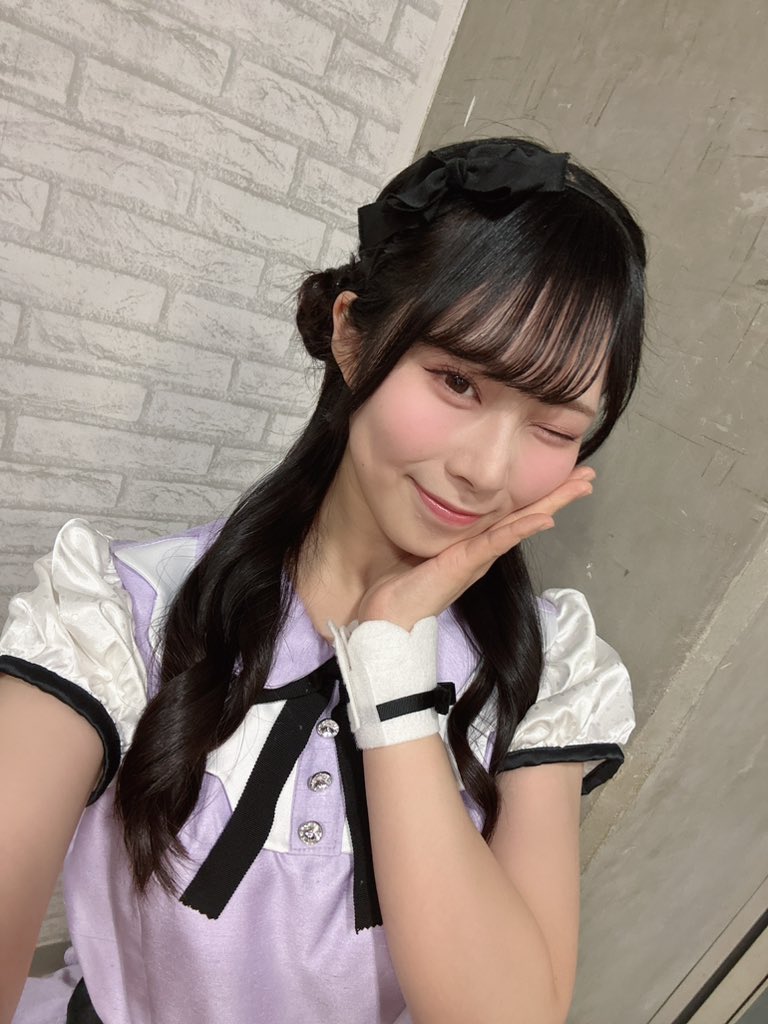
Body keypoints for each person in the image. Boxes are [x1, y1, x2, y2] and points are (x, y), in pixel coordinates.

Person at [0, 137, 645, 1024]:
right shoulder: (121, 615)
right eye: (458, 381)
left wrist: (392, 674)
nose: (487, 471)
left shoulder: (544, 671)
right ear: (352, 335)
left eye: (554, 427)